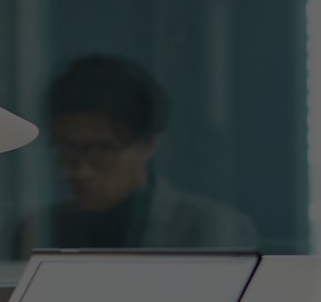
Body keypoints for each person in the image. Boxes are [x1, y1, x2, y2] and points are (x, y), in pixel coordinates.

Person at [15, 54, 258, 256]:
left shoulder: (210, 228)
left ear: (148, 144)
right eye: (67, 149)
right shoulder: (37, 231)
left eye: (102, 149)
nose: (80, 169)